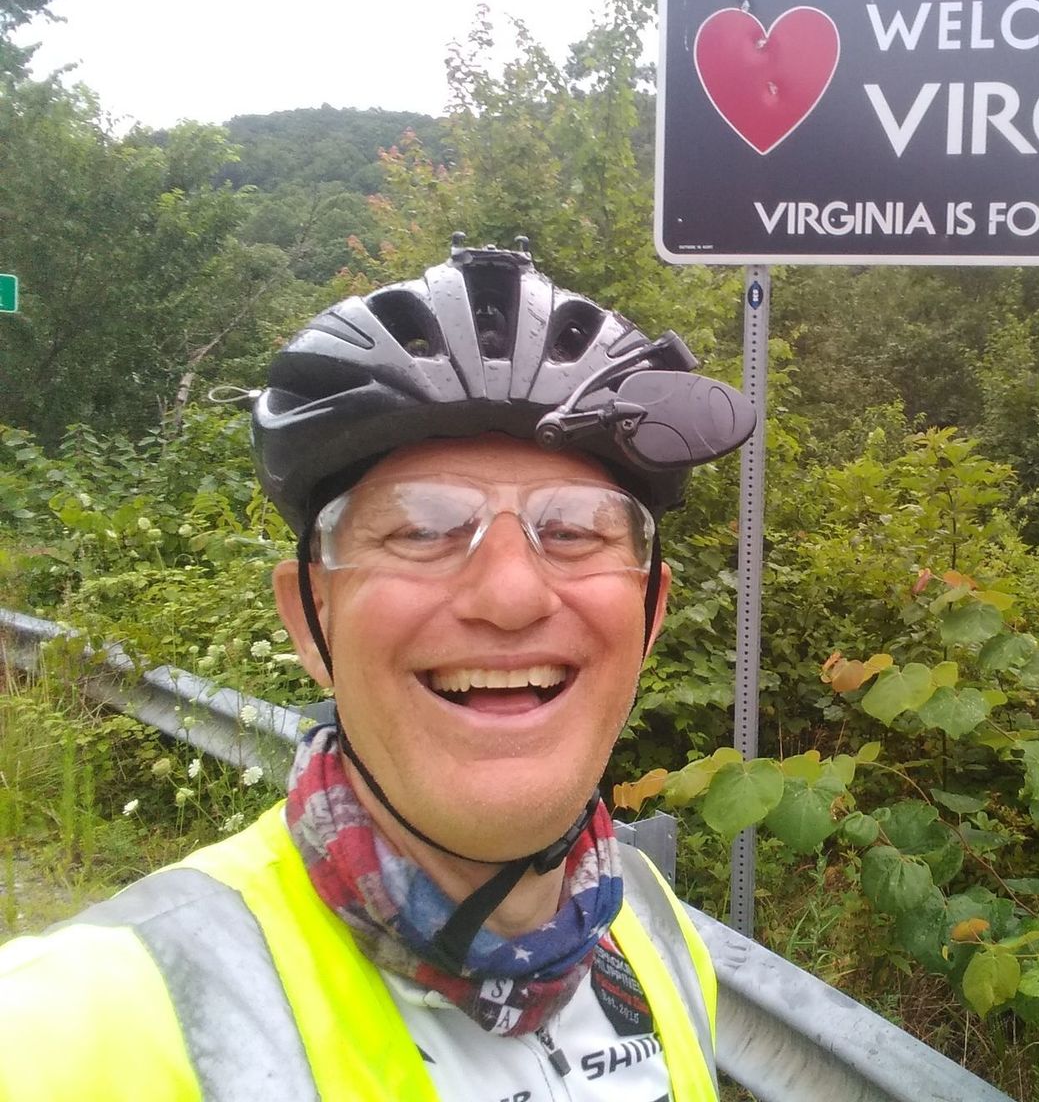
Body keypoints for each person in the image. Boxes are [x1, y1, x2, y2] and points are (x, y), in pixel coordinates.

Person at [0, 240, 756, 1099]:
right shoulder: (76, 1026)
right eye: (421, 528)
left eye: (577, 529)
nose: (510, 595)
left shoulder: (648, 927)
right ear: (311, 617)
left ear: (650, 613)